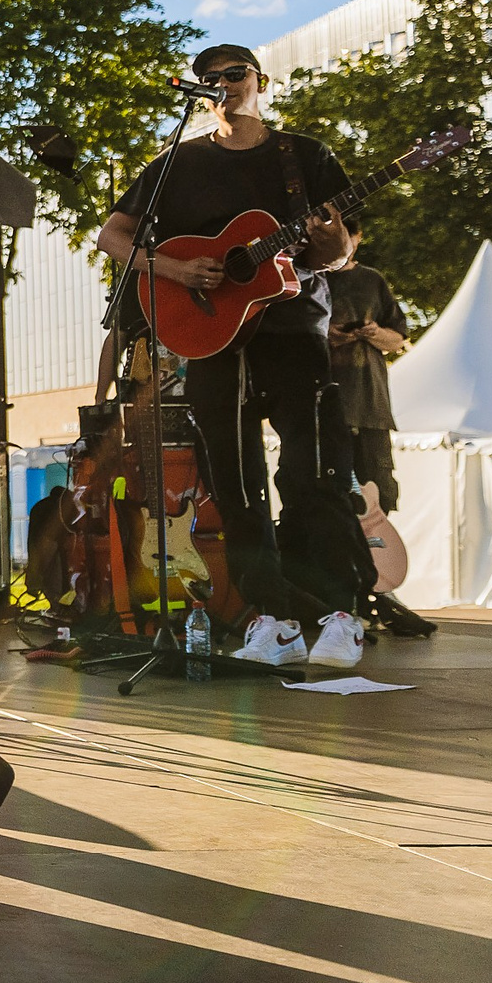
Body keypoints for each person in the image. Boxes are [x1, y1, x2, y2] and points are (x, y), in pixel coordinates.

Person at [93, 43, 367, 668]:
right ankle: (273, 617)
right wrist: (177, 269)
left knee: (310, 472)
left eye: (234, 74)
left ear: (260, 81)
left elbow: (341, 251)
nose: (222, 83)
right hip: (212, 337)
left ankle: (339, 614)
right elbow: (113, 234)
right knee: (236, 485)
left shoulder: (306, 156)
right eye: (210, 77)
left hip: (293, 331)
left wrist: (330, 246)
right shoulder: (177, 162)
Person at [326, 253, 411, 515]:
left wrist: (375, 332)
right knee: (330, 497)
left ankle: (377, 541)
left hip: (371, 407)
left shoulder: (372, 280)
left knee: (379, 496)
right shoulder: (309, 279)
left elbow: (398, 339)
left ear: (357, 237)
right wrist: (327, 335)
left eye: (349, 236)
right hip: (326, 410)